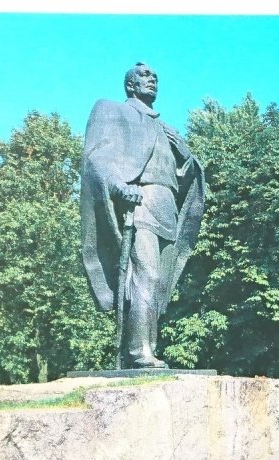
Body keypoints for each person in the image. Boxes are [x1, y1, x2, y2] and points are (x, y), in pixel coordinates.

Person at [80, 63, 205, 368]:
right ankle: (138, 351)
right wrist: (119, 186)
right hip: (140, 201)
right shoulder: (112, 110)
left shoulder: (165, 128)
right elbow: (95, 157)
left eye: (155, 77)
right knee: (145, 275)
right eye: (145, 76)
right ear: (130, 85)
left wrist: (188, 158)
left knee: (159, 284)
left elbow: (183, 174)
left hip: (167, 206)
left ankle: (148, 346)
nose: (153, 80)